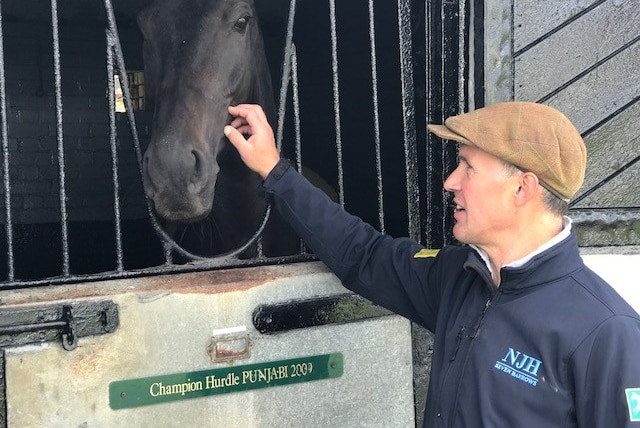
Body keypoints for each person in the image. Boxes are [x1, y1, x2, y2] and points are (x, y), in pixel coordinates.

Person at [224, 101, 640, 427]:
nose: (450, 182)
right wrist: (273, 169)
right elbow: (363, 254)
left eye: (468, 167)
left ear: (521, 187)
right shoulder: (460, 277)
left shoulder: (606, 333)